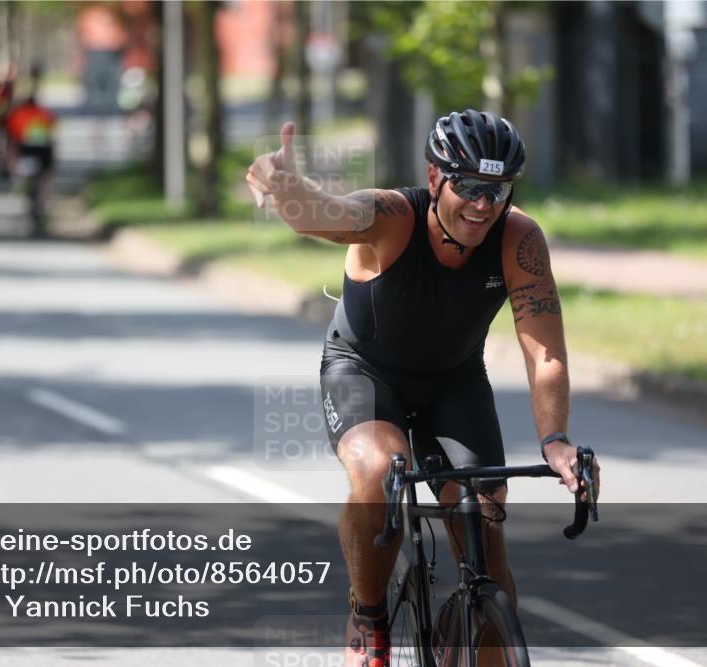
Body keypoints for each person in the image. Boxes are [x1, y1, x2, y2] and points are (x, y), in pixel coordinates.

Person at [246, 113, 602, 667]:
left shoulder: (518, 239)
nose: (483, 205)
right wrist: (289, 188)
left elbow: (546, 352)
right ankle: (369, 620)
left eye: (498, 189)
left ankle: (480, 625)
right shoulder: (393, 215)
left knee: (485, 520)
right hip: (364, 371)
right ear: (436, 178)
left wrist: (556, 440)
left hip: (453, 380)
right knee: (378, 471)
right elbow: (328, 215)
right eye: (470, 186)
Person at [6, 93, 57, 230]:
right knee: (44, 180)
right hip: (44, 152)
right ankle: (44, 206)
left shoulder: (18, 115)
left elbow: (13, 140)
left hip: (26, 151)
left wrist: (11, 160)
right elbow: (52, 134)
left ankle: (24, 190)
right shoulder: (45, 114)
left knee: (24, 176)